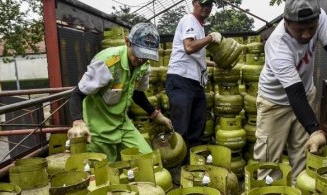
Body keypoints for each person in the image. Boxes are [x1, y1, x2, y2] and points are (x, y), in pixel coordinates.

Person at [254, 0, 327, 185]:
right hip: (274, 102)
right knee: (268, 161)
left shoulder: (318, 18)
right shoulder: (277, 45)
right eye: (300, 29)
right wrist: (315, 130)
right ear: (286, 23)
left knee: (304, 155)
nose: (307, 34)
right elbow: (294, 93)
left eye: (311, 28)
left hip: (305, 95)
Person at [67, 22, 173, 162]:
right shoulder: (106, 63)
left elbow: (136, 92)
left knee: (149, 161)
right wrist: (78, 122)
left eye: (146, 56)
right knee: (105, 173)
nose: (141, 59)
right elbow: (77, 94)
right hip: (99, 130)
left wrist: (155, 114)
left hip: (122, 124)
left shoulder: (143, 67)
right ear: (127, 41)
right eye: (139, 53)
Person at [165, 0, 222, 183]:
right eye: (202, 3)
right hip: (181, 79)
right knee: (181, 128)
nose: (206, 7)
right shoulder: (189, 20)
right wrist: (211, 38)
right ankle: (176, 170)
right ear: (194, 3)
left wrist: (217, 64)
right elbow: (189, 48)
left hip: (194, 82)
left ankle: (192, 168)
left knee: (197, 127)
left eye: (209, 4)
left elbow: (197, 57)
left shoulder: (199, 26)